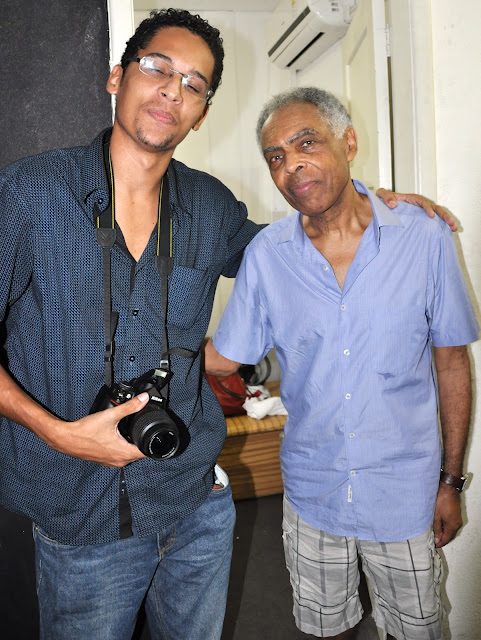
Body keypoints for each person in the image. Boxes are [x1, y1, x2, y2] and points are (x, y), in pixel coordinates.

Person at [0, 8, 456, 640]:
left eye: (194, 84)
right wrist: (61, 434)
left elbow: (303, 242)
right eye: (157, 68)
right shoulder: (29, 195)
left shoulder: (210, 207)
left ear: (202, 113)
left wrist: (378, 206)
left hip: (198, 510)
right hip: (83, 517)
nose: (173, 90)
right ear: (117, 77)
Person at [205, 87, 479, 640]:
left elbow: (452, 363)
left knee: (417, 631)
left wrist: (451, 481)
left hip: (404, 495)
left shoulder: (423, 237)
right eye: (276, 156)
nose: (290, 165)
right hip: (313, 493)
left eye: (306, 143)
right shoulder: (268, 256)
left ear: (348, 143)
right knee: (324, 629)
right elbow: (224, 359)